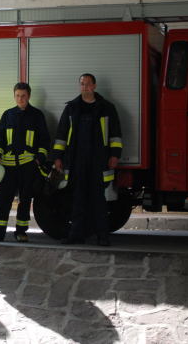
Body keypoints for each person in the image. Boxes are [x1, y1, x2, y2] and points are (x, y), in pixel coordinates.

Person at [52, 73, 122, 246]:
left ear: (94, 86)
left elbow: (115, 134)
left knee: (99, 201)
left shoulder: (106, 108)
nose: (85, 87)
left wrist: (115, 155)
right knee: (77, 200)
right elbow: (61, 134)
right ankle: (76, 235)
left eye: (88, 84)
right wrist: (58, 157)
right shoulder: (72, 108)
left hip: (99, 161)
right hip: (76, 161)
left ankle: (102, 236)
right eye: (82, 84)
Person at [0, 82, 50, 243]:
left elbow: (45, 140)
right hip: (8, 166)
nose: (20, 99)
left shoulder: (37, 116)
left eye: (24, 96)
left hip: (28, 166)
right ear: (14, 96)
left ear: (29, 96)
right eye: (18, 95)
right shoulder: (7, 115)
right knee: (3, 200)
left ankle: (21, 232)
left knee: (25, 200)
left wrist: (39, 159)